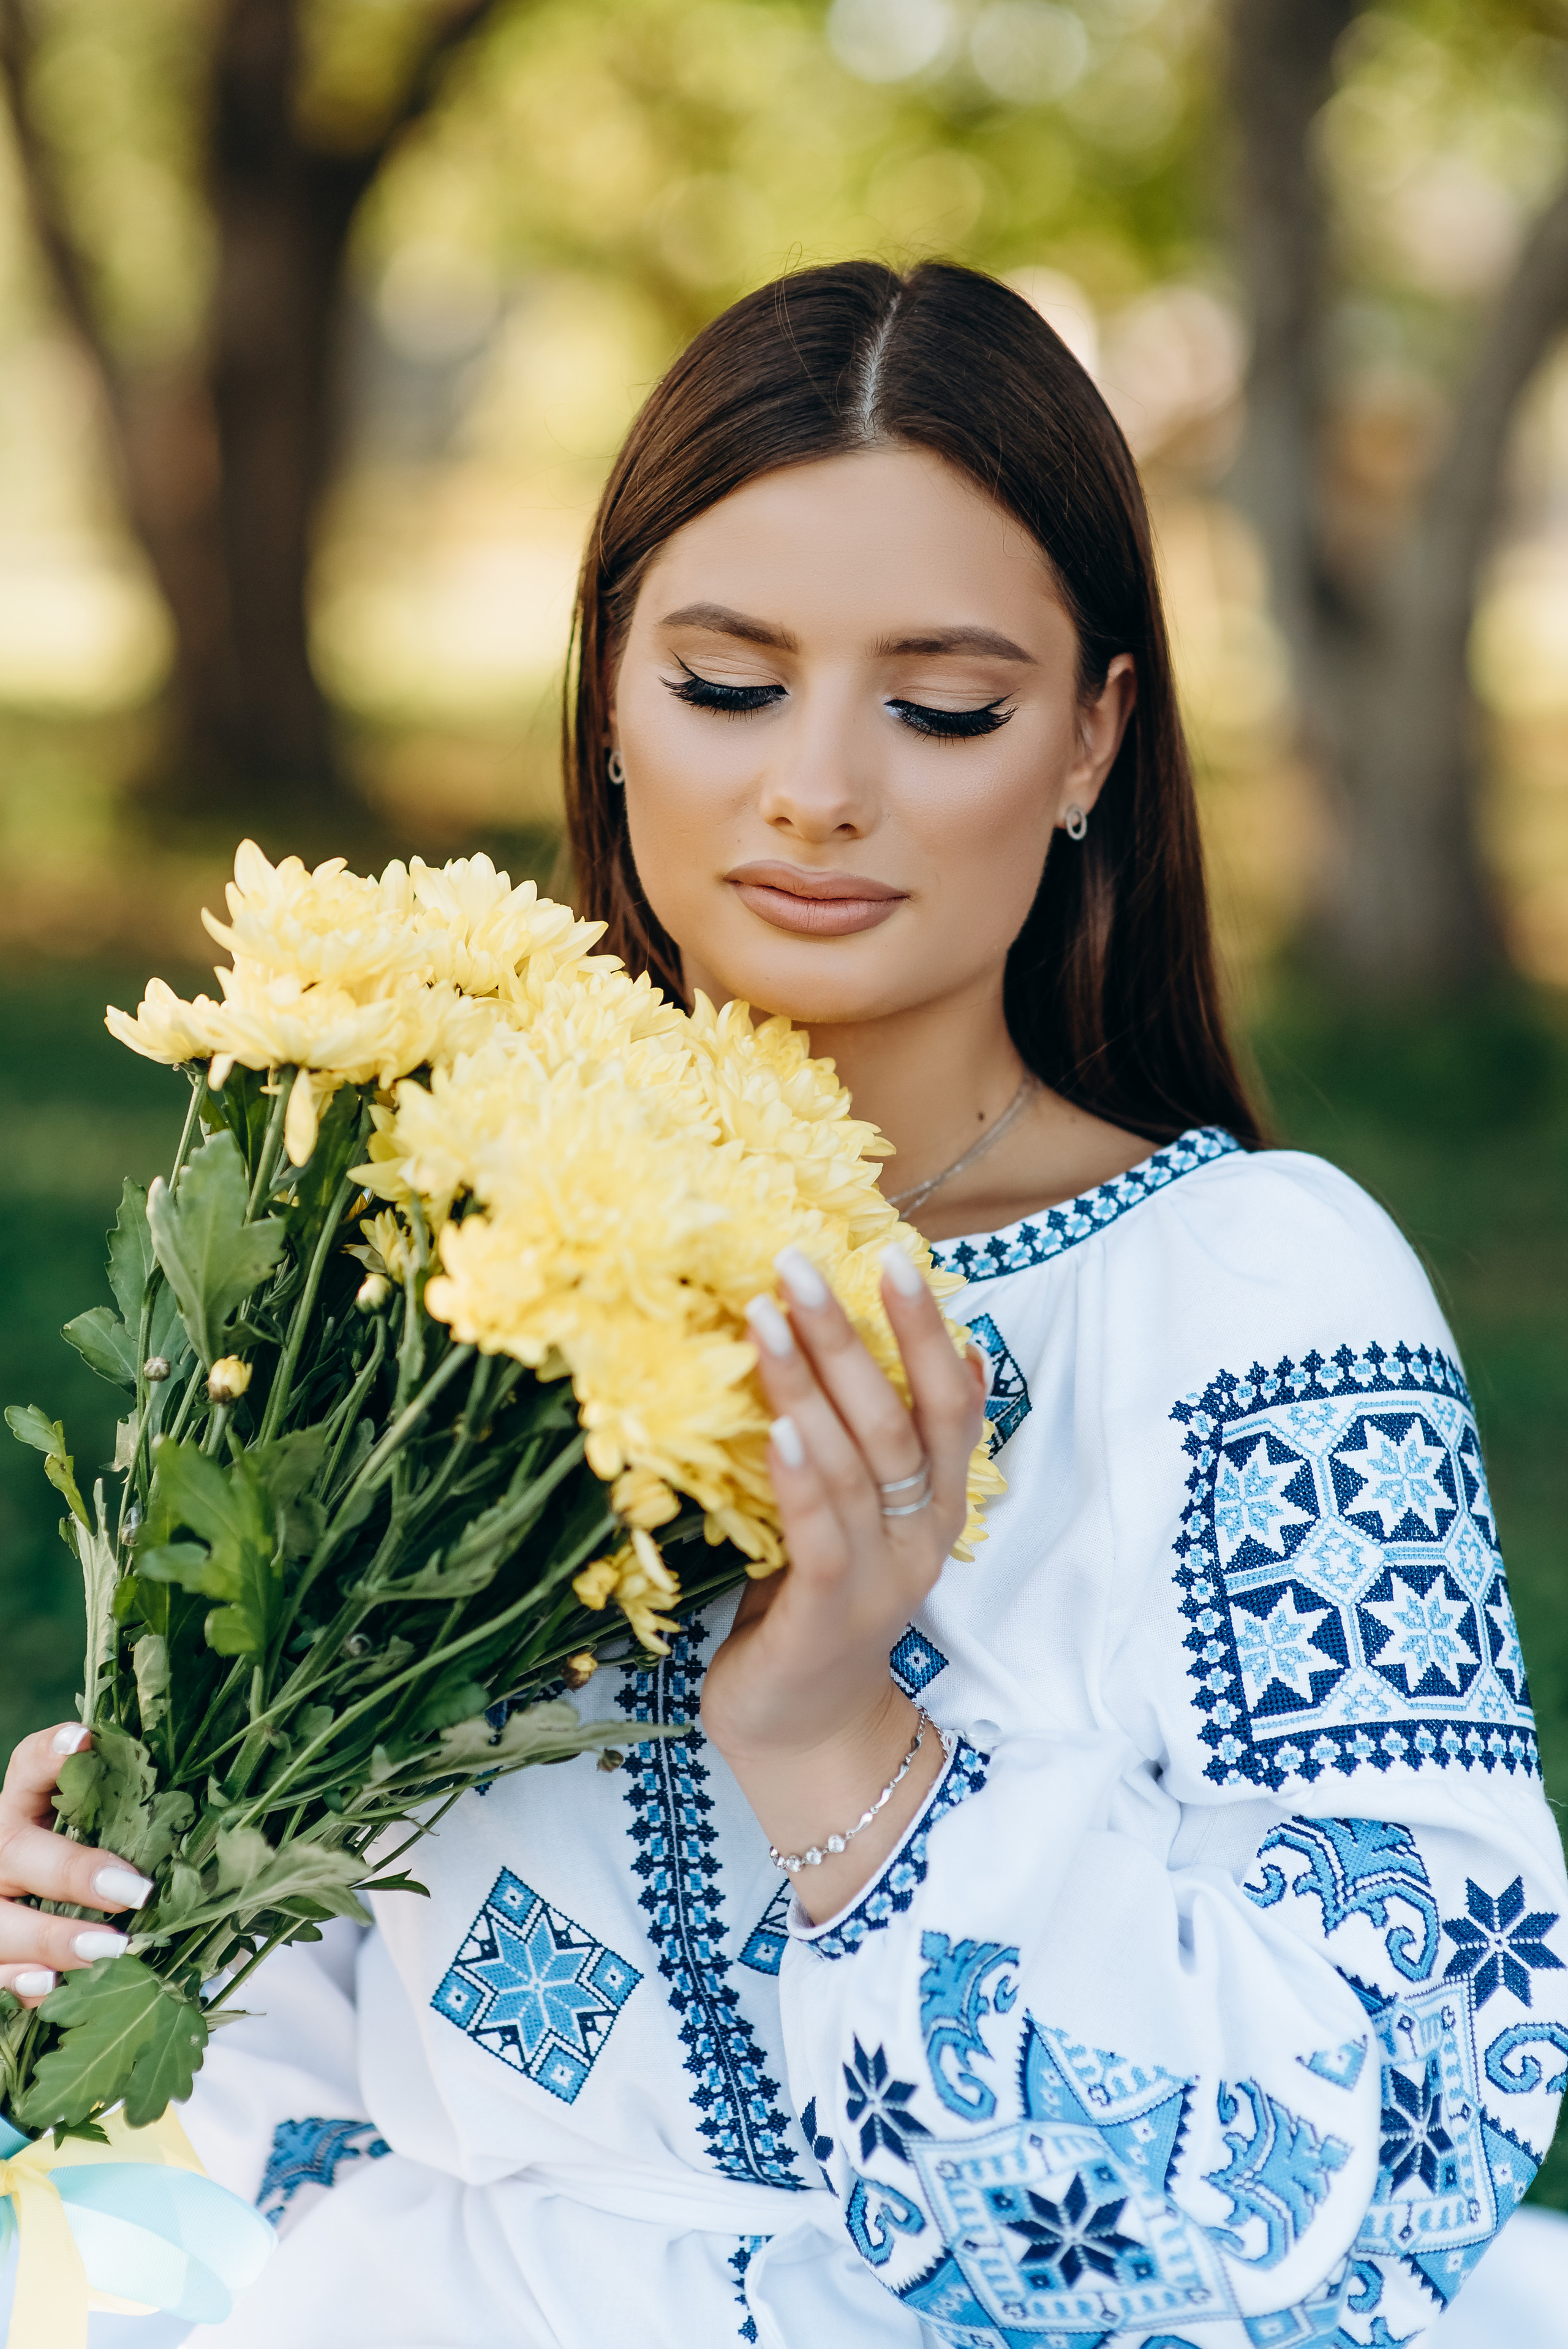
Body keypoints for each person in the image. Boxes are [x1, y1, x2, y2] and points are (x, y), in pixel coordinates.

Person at [1, 260, 1562, 2349]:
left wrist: (847, 1742)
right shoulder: (408, 1253)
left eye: (944, 706)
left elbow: (1411, 2148)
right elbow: (293, 2083)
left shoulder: (1247, 1298)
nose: (819, 786)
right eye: (727, 685)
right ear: (610, 703)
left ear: (1096, 731)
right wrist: (116, 1907)